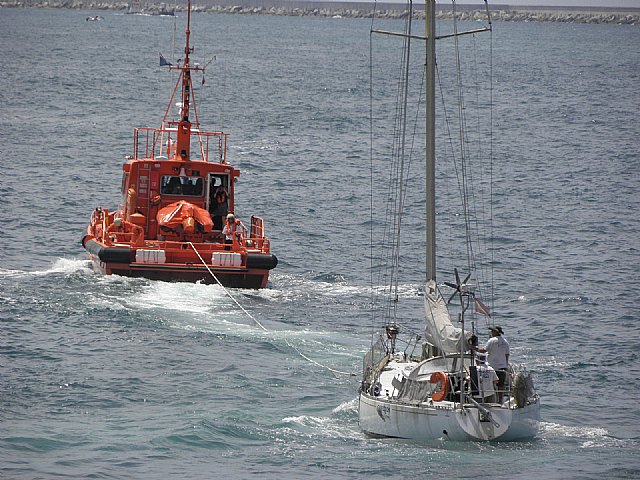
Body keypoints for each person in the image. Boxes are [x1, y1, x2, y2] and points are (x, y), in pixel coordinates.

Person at [474, 325, 510, 403]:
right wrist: (505, 365)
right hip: (503, 367)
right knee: (501, 386)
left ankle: (491, 400)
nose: (491, 332)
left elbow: (483, 350)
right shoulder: (505, 342)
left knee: (492, 384)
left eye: (492, 331)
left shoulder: (491, 340)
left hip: (493, 367)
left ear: (495, 332)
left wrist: (474, 348)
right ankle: (500, 401)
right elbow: (507, 355)